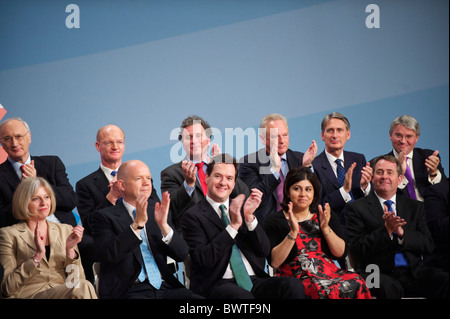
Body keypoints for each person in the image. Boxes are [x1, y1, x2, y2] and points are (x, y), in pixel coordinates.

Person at [181, 153, 305, 299]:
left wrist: (249, 218)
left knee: (293, 286)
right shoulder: (193, 215)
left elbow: (264, 250)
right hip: (217, 284)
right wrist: (232, 227)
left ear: (234, 183)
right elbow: (203, 259)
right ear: (207, 177)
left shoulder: (243, 207)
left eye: (229, 178)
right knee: (245, 299)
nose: (223, 182)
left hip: (253, 280)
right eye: (218, 176)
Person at [90, 160, 202, 299]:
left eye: (148, 178)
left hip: (165, 287)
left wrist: (164, 226)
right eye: (139, 178)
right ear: (122, 185)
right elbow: (110, 254)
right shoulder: (103, 217)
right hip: (129, 291)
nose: (146, 183)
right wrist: (138, 224)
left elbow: (181, 254)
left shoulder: (157, 212)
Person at [345, 155, 449, 299]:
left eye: (390, 172)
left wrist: (402, 233)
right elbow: (358, 248)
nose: (384, 176)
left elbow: (428, 244)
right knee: (389, 289)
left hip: (412, 271)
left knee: (443, 280)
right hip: (375, 272)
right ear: (372, 177)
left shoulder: (416, 207)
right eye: (379, 172)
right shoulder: (356, 208)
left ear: (399, 179)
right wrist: (386, 231)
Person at [263, 167, 371, 299]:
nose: (303, 194)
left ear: (314, 192)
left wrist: (326, 229)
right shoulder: (274, 220)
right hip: (296, 275)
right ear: (288, 191)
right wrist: (293, 232)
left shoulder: (324, 215)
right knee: (323, 288)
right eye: (297, 189)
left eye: (308, 189)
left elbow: (340, 253)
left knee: (357, 280)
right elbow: (274, 262)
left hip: (329, 271)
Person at [0, 177, 96, 299]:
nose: (43, 203)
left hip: (63, 293)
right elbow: (6, 288)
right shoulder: (8, 235)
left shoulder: (65, 230)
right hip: (29, 294)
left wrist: (70, 251)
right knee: (83, 287)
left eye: (47, 197)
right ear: (23, 202)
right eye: (36, 199)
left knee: (83, 285)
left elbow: (76, 280)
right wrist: (36, 257)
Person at [161, 115, 249, 232]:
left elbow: (245, 195)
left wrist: (223, 168)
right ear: (182, 143)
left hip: (228, 231)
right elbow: (171, 209)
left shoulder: (222, 166)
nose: (194, 141)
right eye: (189, 137)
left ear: (208, 140)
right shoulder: (171, 173)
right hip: (194, 237)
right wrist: (188, 185)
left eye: (199, 136)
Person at [239, 113, 317, 224]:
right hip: (268, 228)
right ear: (263, 138)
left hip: (302, 225)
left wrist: (307, 167)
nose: (282, 141)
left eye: (285, 135)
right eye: (275, 136)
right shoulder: (249, 162)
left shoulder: (301, 159)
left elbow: (318, 196)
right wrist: (274, 170)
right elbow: (253, 200)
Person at [0, 117, 78, 228]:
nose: (14, 143)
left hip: (64, 232)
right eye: (7, 139)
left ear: (29, 137)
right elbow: (2, 219)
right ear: (1, 143)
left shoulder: (52, 163)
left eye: (18, 137)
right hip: (25, 238)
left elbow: (70, 200)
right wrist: (24, 191)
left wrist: (38, 183)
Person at [312, 112, 372, 225]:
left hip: (361, 227)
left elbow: (371, 200)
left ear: (348, 135)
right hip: (332, 229)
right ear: (322, 135)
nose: (335, 135)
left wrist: (364, 187)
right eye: (330, 130)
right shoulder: (315, 166)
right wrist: (344, 191)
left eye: (340, 130)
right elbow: (318, 205)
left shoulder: (359, 159)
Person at [376, 114, 446, 201]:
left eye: (408, 136)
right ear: (390, 135)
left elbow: (444, 190)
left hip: (429, 209)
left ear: (416, 138)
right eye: (398, 135)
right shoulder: (380, 164)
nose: (403, 141)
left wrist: (433, 173)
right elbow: (381, 196)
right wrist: (399, 172)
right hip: (401, 212)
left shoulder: (429, 157)